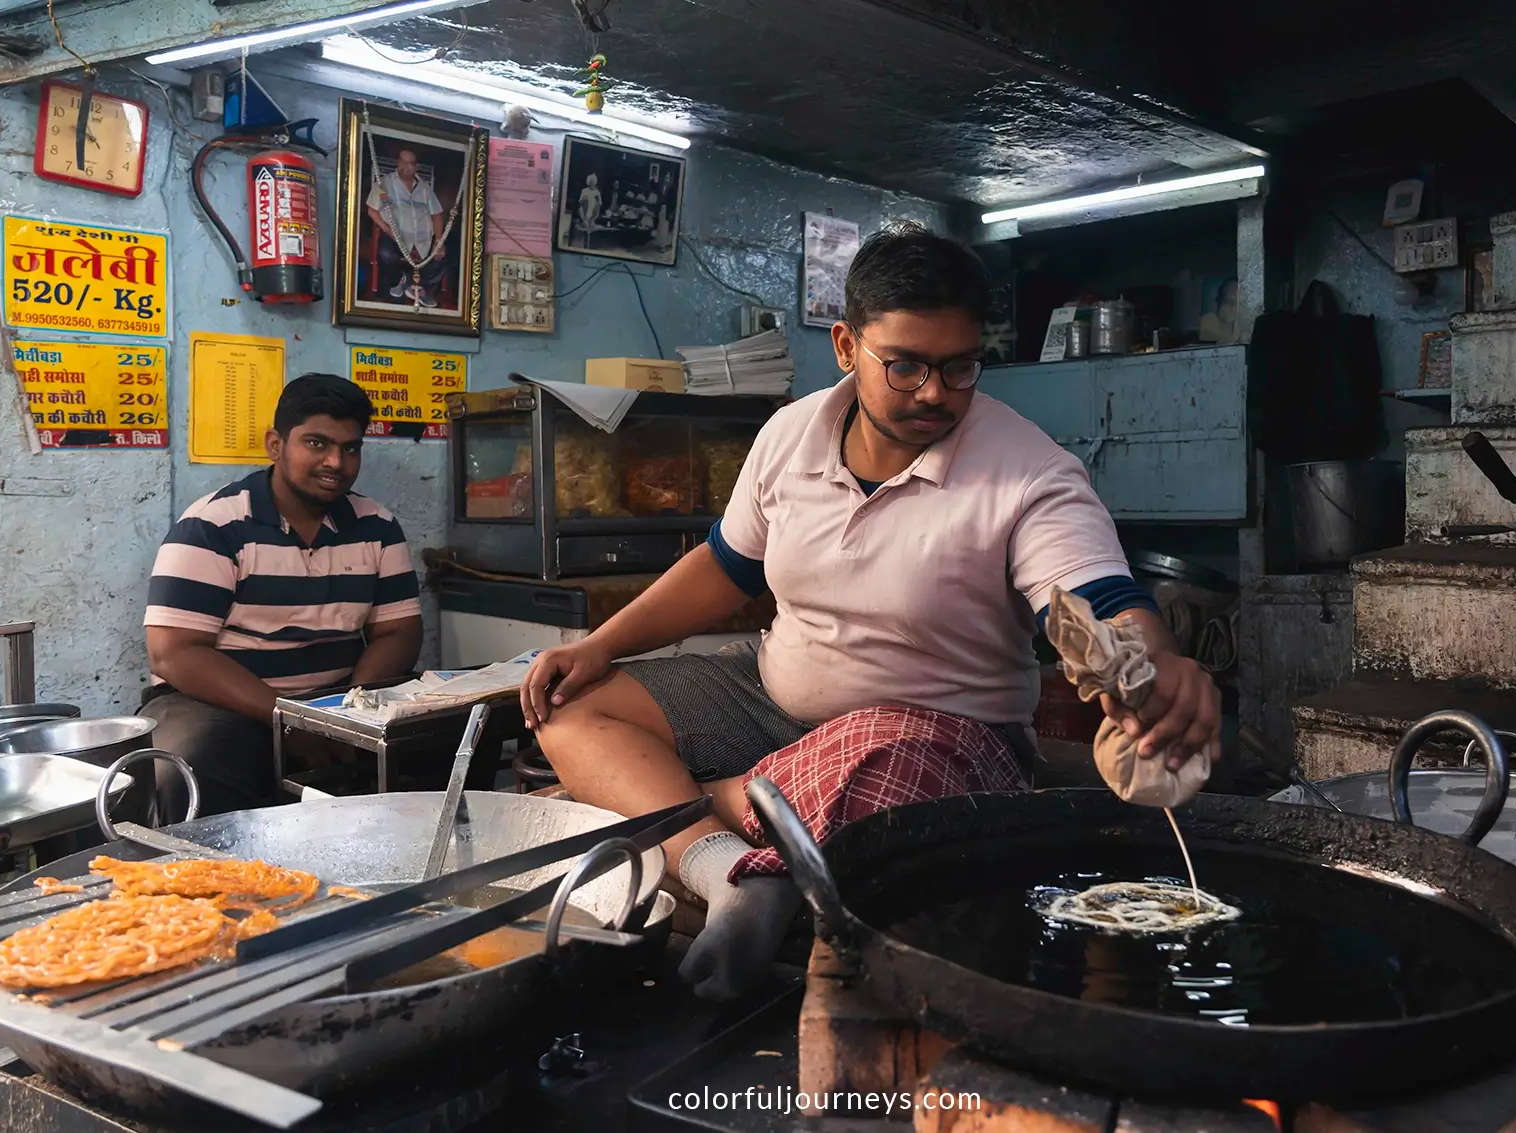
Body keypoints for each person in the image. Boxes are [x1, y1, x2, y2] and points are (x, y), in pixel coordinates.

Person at [520, 223, 1220, 1002]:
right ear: (847, 345)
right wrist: (599, 645)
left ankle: (723, 799)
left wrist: (1148, 661)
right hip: (771, 698)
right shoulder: (790, 434)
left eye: (959, 368)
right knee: (568, 703)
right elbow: (725, 567)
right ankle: (731, 870)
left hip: (938, 734)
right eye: (908, 365)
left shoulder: (1028, 472)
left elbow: (1099, 598)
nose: (935, 392)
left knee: (887, 768)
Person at [142, 376, 423, 821]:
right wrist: (289, 723)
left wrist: (346, 715)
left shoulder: (377, 526)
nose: (335, 462)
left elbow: (399, 633)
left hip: (338, 700)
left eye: (350, 448)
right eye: (316, 443)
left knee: (452, 735)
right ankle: (213, 885)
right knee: (192, 764)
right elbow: (173, 654)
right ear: (276, 444)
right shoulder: (213, 526)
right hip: (218, 703)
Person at [366, 149, 448, 307]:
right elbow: (372, 210)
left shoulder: (424, 188)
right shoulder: (384, 185)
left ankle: (420, 288)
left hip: (424, 239)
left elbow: (436, 214)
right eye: (403, 162)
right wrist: (385, 227)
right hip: (396, 236)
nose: (406, 167)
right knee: (386, 255)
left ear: (416, 166)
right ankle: (399, 280)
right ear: (397, 162)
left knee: (445, 256)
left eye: (410, 163)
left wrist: (439, 240)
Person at [1199, 279, 1238, 344]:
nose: (1234, 308)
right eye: (1229, 302)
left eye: (1239, 303)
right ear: (1219, 302)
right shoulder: (1209, 321)